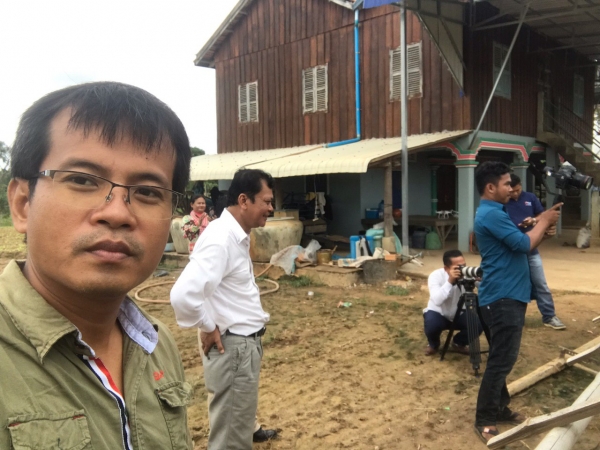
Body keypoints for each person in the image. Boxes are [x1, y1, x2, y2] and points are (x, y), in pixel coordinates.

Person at [0, 81, 193, 449]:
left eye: (148, 192)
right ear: (23, 204)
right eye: (82, 180)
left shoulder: (156, 344)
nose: (117, 213)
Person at [171, 169, 278, 449]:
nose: (271, 208)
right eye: (266, 201)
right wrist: (207, 326)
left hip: (239, 348)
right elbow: (183, 296)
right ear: (243, 200)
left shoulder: (235, 235)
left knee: (236, 432)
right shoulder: (221, 238)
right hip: (233, 349)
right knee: (231, 441)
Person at [473, 161, 561, 444]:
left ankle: (499, 408)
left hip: (505, 295)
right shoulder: (491, 213)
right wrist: (544, 220)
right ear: (490, 187)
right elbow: (523, 245)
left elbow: (521, 246)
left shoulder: (496, 212)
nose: (511, 188)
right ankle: (485, 419)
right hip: (502, 297)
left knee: (501, 357)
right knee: (502, 361)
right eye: (506, 184)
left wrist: (539, 232)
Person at [505, 174, 566, 330]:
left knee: (540, 283)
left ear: (520, 185)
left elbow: (541, 215)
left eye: (518, 190)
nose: (515, 194)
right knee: (514, 285)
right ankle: (514, 317)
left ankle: (549, 316)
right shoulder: (502, 202)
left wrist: (533, 221)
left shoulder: (530, 197)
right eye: (512, 191)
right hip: (512, 251)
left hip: (531, 249)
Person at [423, 249, 483, 356]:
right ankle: (433, 344)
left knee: (477, 325)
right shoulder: (436, 275)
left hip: (459, 313)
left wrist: (481, 279)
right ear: (446, 268)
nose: (462, 269)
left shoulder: (467, 273)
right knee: (432, 325)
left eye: (464, 265)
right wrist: (450, 281)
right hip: (439, 312)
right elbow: (437, 300)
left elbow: (484, 287)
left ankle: (458, 343)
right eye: (458, 267)